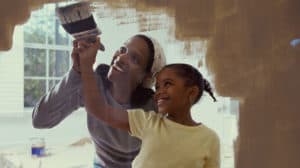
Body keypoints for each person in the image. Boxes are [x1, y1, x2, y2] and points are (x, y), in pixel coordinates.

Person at [77, 38, 220, 168]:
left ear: (191, 93)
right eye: (157, 87)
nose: (158, 92)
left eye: (167, 84)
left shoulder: (209, 139)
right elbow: (98, 109)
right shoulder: (147, 121)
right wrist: (86, 66)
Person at [32, 34, 166, 168]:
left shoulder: (151, 108)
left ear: (146, 76)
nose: (121, 57)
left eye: (134, 58)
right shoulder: (95, 84)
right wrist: (76, 72)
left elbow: (117, 129)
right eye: (122, 49)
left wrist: (86, 70)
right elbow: (40, 120)